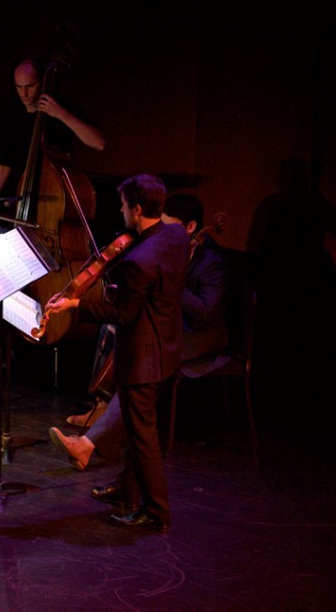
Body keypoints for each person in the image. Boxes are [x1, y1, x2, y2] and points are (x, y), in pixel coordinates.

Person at [44, 174, 189, 533]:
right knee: (136, 432)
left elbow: (123, 315)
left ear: (137, 210)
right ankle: (126, 492)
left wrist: (77, 304)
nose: (120, 211)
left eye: (124, 206)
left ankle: (156, 512)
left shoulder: (137, 261)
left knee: (143, 440)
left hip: (143, 357)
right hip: (168, 348)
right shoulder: (176, 235)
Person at [50, 192, 230, 471]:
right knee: (118, 330)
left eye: (169, 227)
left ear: (191, 227)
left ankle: (89, 443)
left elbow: (207, 313)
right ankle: (101, 409)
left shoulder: (211, 262)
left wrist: (173, 281)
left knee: (142, 368)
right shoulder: (170, 249)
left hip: (201, 338)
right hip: (170, 328)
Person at [0, 58, 105, 213]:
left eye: (30, 86)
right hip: (20, 197)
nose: (24, 93)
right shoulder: (12, 114)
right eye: (19, 87)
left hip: (54, 197)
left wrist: (61, 114)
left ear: (43, 80)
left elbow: (99, 143)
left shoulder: (61, 105)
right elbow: (4, 162)